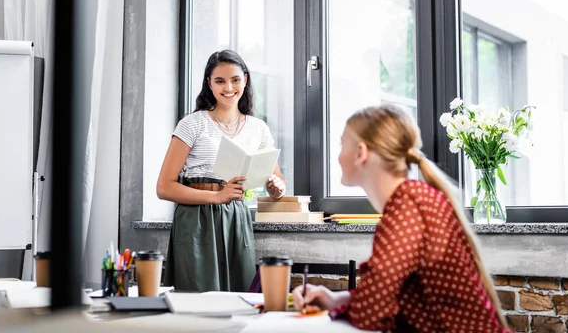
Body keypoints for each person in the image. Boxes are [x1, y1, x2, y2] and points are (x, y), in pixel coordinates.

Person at [292, 104, 512, 332]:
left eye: (341, 144)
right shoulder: (412, 198)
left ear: (361, 152)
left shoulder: (408, 204)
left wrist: (350, 303)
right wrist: (336, 299)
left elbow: (370, 312)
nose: (337, 155)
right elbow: (389, 292)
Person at [157, 50, 286, 292]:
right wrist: (217, 196)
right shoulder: (192, 124)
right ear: (209, 83)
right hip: (196, 219)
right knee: (197, 298)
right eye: (220, 81)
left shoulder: (259, 129)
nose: (228, 87)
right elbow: (164, 187)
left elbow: (276, 182)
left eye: (235, 79)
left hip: (237, 218)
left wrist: (276, 188)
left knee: (240, 296)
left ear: (245, 80)